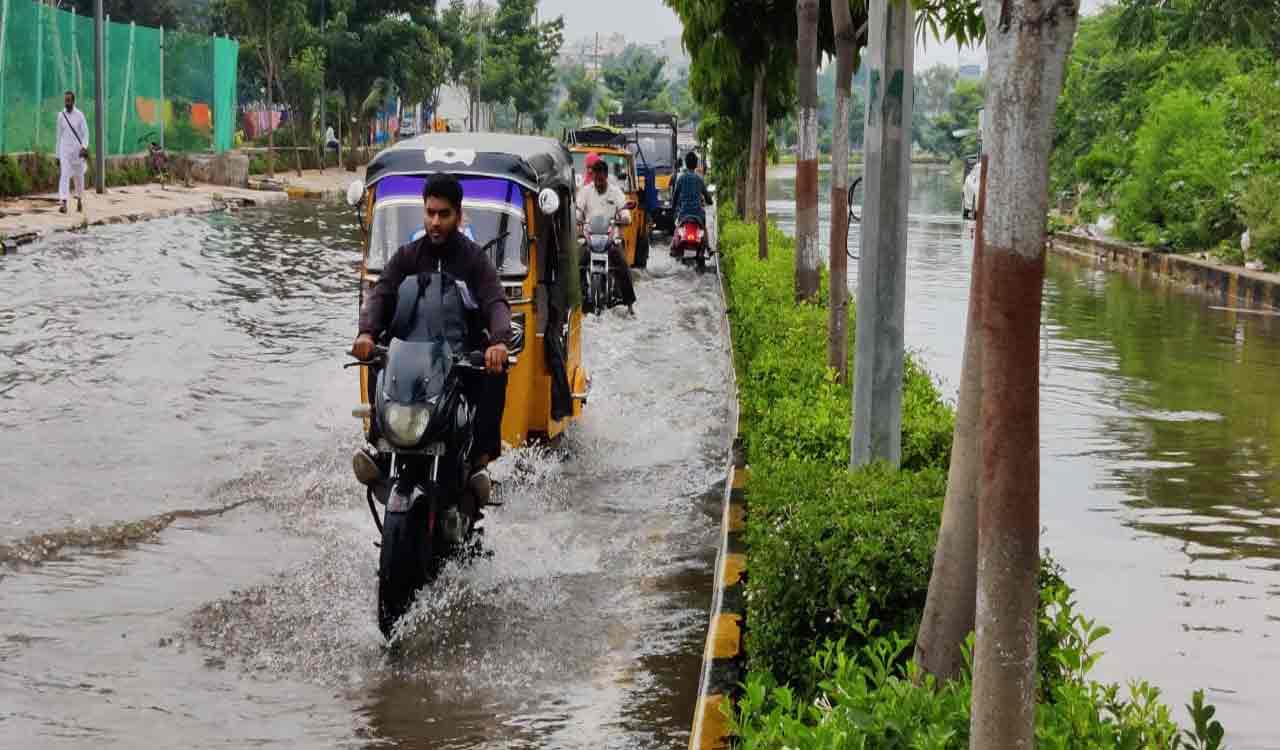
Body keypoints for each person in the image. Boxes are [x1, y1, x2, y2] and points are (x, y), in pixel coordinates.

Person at [350, 174, 511, 504]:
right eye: (430, 213)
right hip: (414, 355)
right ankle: (379, 445)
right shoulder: (408, 256)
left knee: (496, 372)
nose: (435, 222)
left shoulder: (474, 260)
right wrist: (366, 332)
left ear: (458, 214)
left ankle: (479, 462)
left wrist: (498, 341)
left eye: (443, 214)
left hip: (460, 357)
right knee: (377, 356)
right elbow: (382, 292)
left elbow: (495, 300)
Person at [576, 155, 637, 313]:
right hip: (589, 238)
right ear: (593, 177)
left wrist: (624, 217)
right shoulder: (585, 191)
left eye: (601, 179)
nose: (598, 182)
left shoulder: (615, 192)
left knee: (623, 265)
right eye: (596, 179)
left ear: (606, 177)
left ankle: (629, 304)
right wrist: (576, 219)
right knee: (576, 265)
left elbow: (624, 210)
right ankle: (576, 301)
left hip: (610, 239)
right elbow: (578, 210)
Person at [670, 151, 714, 255]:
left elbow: (675, 197)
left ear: (686, 163)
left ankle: (673, 246)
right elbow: (708, 198)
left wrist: (673, 209)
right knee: (704, 227)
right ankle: (708, 247)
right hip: (698, 215)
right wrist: (710, 201)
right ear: (695, 164)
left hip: (684, 213)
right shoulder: (699, 179)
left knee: (677, 225)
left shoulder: (681, 179)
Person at [56, 91, 89, 215]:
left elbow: (86, 133)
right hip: (65, 151)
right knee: (64, 174)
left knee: (79, 178)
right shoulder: (61, 116)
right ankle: (63, 202)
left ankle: (79, 199)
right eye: (65, 100)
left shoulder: (80, 115)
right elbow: (58, 136)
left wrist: (84, 147)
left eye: (69, 100)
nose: (67, 103)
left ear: (73, 101)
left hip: (78, 152)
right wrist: (57, 155)